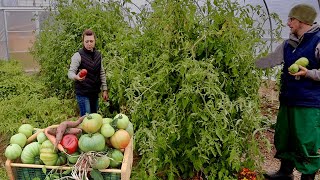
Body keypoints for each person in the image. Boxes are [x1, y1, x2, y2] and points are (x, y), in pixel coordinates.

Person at [255, 4, 320, 180]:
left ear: (302, 21)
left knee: (306, 141)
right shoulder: (288, 44)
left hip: (308, 103)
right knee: (285, 137)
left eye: (291, 19)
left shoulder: (318, 42)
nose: (288, 23)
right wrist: (246, 64)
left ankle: (307, 177)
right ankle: (285, 172)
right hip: (288, 100)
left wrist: (309, 73)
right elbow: (270, 60)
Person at [68, 29, 108, 116]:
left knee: (95, 118)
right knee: (87, 119)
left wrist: (104, 89)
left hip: (94, 93)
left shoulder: (98, 55)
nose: (89, 43)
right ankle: (83, 130)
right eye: (86, 41)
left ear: (94, 41)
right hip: (83, 93)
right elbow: (70, 73)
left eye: (91, 41)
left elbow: (101, 73)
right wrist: (76, 77)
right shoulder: (78, 56)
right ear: (83, 42)